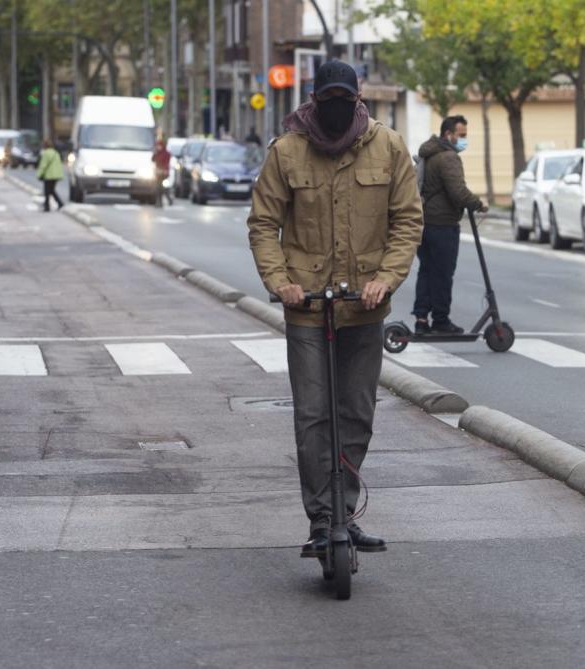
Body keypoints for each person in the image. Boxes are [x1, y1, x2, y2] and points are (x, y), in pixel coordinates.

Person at [247, 60, 423, 557]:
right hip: (307, 308)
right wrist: (281, 282)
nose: (338, 109)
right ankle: (322, 520)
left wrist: (385, 278)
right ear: (315, 100)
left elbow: (407, 220)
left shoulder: (388, 146)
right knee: (313, 417)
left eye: (346, 99)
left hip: (364, 308)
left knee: (357, 412)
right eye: (330, 101)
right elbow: (263, 224)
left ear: (359, 97)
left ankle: (344, 512)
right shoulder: (287, 152)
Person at [412, 115, 488, 335]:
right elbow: (458, 192)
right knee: (443, 274)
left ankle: (421, 320)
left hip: (425, 223)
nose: (464, 140)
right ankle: (441, 320)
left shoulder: (429, 154)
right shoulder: (448, 158)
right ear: (449, 135)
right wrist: (479, 204)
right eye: (461, 135)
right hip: (443, 224)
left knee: (426, 271)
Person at [36, 139, 64, 212]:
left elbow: (43, 165)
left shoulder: (46, 153)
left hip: (49, 175)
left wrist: (39, 175)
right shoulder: (56, 153)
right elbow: (59, 164)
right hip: (56, 175)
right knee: (51, 190)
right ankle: (56, 204)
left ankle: (48, 206)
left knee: (47, 191)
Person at [151, 138, 172, 207]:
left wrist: (164, 170)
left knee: (164, 188)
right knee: (158, 188)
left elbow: (167, 162)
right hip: (158, 174)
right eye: (157, 146)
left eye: (159, 146)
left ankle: (168, 199)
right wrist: (155, 153)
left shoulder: (167, 153)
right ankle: (159, 202)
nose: (158, 147)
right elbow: (153, 160)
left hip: (164, 174)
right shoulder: (157, 153)